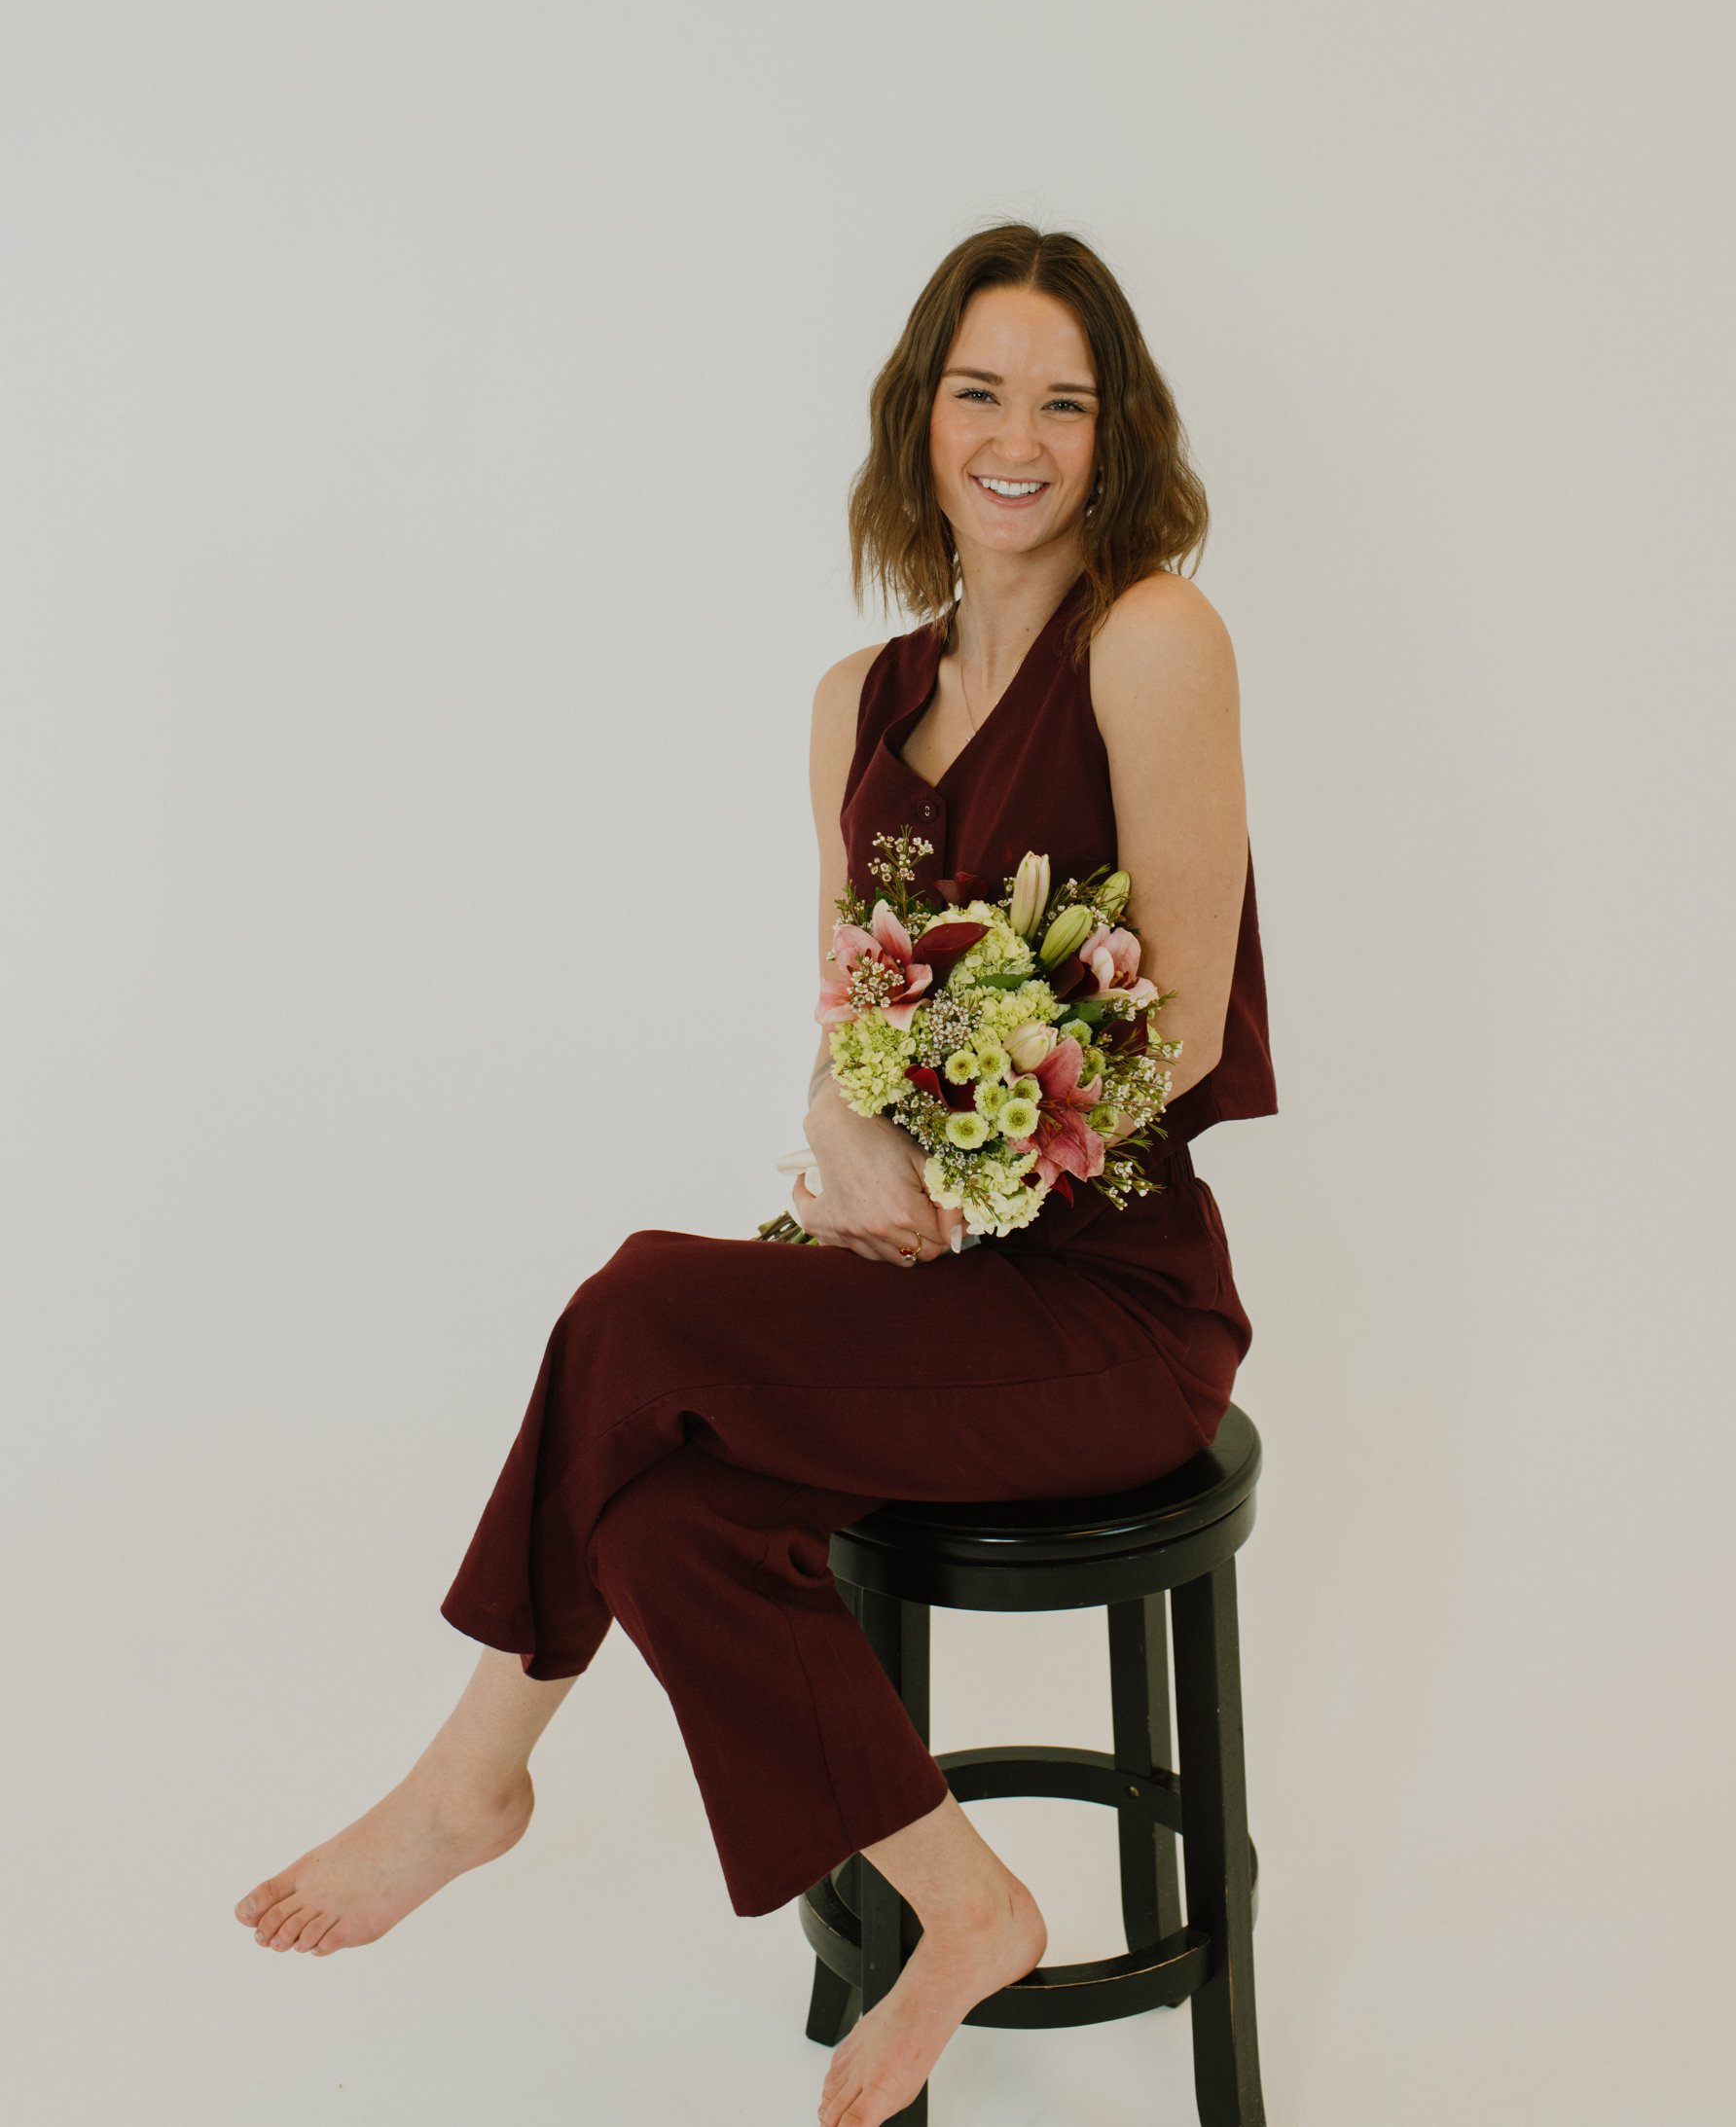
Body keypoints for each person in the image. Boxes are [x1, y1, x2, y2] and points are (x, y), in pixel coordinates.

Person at [233, 224, 1278, 2127]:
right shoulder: (856, 701)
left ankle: (472, 1776)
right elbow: (848, 1012)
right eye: (980, 390)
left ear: (1114, 431)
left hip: (1107, 1302)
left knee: (635, 1298)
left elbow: (1183, 1023)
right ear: (922, 415)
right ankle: (961, 1898)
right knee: (657, 1497)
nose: (1017, 435)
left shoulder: (1150, 636)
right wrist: (842, 1127)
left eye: (1065, 395)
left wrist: (960, 1165)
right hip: (925, 1283)